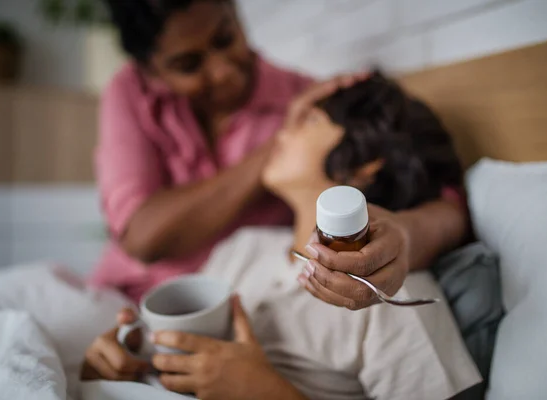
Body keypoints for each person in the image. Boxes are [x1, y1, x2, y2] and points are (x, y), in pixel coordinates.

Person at [82, 73, 481, 400]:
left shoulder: (393, 297)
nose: (280, 131)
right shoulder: (242, 248)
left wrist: (266, 394)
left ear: (362, 164)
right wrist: (119, 361)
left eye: (309, 120)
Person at [92, 0, 364, 302]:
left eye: (225, 39)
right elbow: (142, 238)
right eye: (188, 64)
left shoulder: (305, 99)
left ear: (235, 13)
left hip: (230, 300)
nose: (222, 72)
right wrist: (281, 143)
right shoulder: (130, 91)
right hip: (124, 296)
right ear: (150, 70)